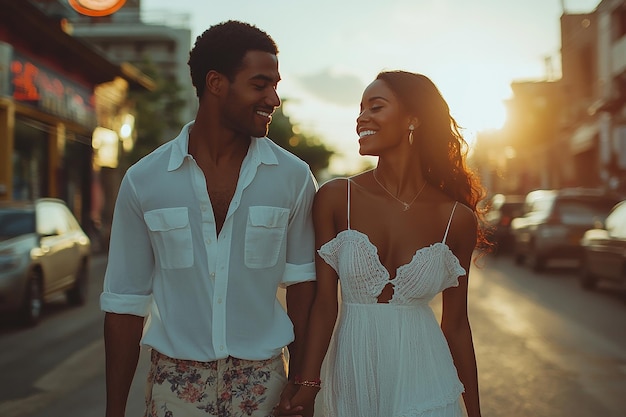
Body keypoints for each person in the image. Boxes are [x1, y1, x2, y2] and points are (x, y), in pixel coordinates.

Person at [101, 20, 317, 417]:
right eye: (260, 84)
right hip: (174, 386)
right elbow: (123, 304)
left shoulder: (294, 177)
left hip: (264, 382)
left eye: (275, 85)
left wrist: (302, 384)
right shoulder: (143, 181)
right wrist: (115, 411)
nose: (274, 99)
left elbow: (304, 286)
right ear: (216, 83)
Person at [279, 70, 485, 417]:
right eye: (360, 109)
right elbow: (324, 305)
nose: (361, 118)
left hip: (427, 375)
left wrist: (475, 412)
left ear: (413, 120)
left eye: (375, 107)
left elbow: (456, 323)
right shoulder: (336, 198)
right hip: (353, 373)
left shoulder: (457, 218)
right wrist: (307, 384)